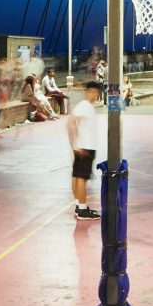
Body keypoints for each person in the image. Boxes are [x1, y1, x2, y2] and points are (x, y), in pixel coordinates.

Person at [67, 81, 101, 220]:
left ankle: (78, 206)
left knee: (76, 176)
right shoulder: (85, 106)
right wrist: (74, 145)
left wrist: (74, 145)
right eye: (92, 92)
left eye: (96, 92)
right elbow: (70, 124)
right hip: (85, 147)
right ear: (87, 92)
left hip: (82, 146)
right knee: (82, 178)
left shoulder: (85, 106)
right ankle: (82, 210)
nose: (95, 94)